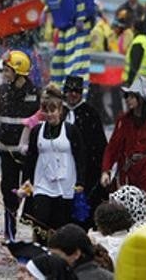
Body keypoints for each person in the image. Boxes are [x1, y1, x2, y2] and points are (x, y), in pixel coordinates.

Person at [23, 88, 90, 237]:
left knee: (61, 223)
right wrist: (26, 181)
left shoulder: (71, 130)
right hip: (42, 183)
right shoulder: (37, 131)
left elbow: (80, 157)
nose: (50, 114)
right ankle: (40, 250)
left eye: (53, 111)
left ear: (60, 111)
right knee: (40, 219)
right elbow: (31, 158)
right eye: (46, 111)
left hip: (66, 184)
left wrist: (80, 182)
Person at [0, 50, 41, 242]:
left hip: (28, 153)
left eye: (8, 70)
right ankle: (10, 232)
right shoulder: (3, 91)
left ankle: (36, 233)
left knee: (32, 191)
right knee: (8, 191)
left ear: (19, 72)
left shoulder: (35, 94)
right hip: (7, 153)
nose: (5, 74)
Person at [102, 77, 146, 195]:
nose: (127, 100)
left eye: (131, 96)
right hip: (129, 171)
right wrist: (106, 170)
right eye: (126, 96)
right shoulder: (123, 121)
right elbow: (112, 147)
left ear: (141, 99)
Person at [44, 0, 97, 83]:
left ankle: (75, 95)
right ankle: (57, 89)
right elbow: (57, 1)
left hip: (78, 27)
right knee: (58, 62)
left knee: (76, 63)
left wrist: (80, 18)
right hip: (64, 28)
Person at [62, 75, 108, 218]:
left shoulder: (91, 113)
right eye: (70, 91)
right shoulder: (58, 112)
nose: (73, 94)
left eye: (77, 91)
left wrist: (103, 169)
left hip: (87, 168)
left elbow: (100, 144)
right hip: (62, 166)